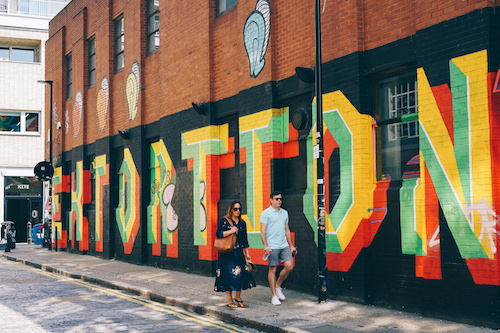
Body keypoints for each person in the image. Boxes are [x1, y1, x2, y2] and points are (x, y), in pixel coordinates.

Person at [214, 201, 256, 308]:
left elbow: (244, 240)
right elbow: (218, 233)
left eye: (239, 209)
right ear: (231, 209)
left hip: (238, 253)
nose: (237, 211)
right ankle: (229, 300)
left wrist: (247, 254)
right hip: (227, 253)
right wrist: (231, 231)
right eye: (235, 209)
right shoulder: (224, 221)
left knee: (242, 275)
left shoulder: (242, 223)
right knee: (228, 276)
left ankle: (238, 296)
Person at [260, 190, 297, 305]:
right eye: (276, 199)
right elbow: (262, 231)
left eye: (280, 199)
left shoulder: (284, 213)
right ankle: (273, 296)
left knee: (289, 266)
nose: (279, 201)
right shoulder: (266, 213)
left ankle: (277, 285)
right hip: (272, 246)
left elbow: (287, 229)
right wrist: (265, 246)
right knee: (273, 269)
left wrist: (291, 246)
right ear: (271, 200)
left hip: (283, 244)